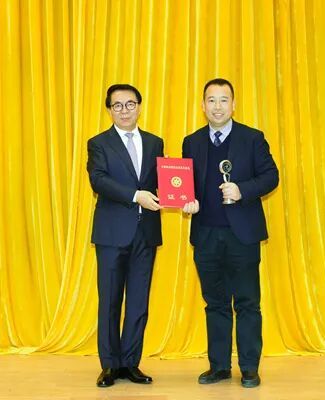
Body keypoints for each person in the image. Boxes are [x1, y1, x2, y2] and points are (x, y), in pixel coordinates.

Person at [182, 78, 279, 388]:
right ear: (202, 106)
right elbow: (186, 184)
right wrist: (187, 201)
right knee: (215, 303)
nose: (217, 106)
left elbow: (271, 176)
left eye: (224, 100)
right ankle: (219, 366)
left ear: (234, 105)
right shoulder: (192, 142)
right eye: (211, 100)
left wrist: (242, 190)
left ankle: (249, 367)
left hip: (242, 235)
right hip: (206, 235)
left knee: (248, 302)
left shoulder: (252, 138)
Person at [87, 84, 164, 388]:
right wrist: (135, 196)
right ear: (109, 110)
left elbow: (164, 182)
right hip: (111, 234)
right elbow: (98, 180)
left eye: (130, 104)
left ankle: (131, 363)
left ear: (139, 107)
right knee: (109, 301)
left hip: (146, 234)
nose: (124, 110)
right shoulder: (99, 143)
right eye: (117, 105)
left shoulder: (155, 142)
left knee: (138, 302)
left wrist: (183, 196)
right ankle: (110, 365)